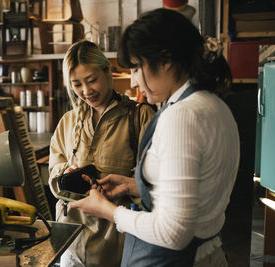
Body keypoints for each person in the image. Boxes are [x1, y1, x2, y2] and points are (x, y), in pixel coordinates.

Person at [69, 8, 240, 267]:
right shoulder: (214, 105)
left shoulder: (181, 117)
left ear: (166, 60)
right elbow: (198, 188)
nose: (135, 81)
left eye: (137, 67)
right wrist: (133, 185)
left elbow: (173, 233)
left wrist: (109, 211)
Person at [48, 40, 155, 267]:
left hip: (116, 246)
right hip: (71, 243)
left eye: (92, 80)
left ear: (107, 71)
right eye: (77, 84)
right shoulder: (67, 122)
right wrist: (66, 173)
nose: (86, 91)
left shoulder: (140, 117)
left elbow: (153, 186)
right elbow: (53, 174)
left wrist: (125, 186)